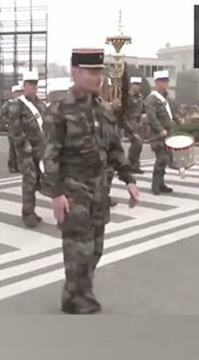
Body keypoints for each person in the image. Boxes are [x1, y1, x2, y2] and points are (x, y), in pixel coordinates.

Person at [44, 48, 139, 314]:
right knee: (78, 249)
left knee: (96, 247)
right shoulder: (61, 109)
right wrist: (57, 194)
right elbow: (50, 154)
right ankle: (76, 298)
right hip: (74, 189)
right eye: (92, 71)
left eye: (100, 72)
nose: (98, 77)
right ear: (75, 72)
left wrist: (129, 179)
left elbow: (114, 148)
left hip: (99, 189)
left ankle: (78, 291)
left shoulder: (104, 109)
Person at [11, 70, 46, 227]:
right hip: (26, 151)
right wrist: (25, 145)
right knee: (29, 181)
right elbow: (15, 130)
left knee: (39, 179)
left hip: (41, 149)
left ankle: (33, 209)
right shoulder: (17, 105)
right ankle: (28, 213)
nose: (33, 87)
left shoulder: (41, 104)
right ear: (24, 85)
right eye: (30, 84)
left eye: (35, 84)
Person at [145, 70, 179, 195]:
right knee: (161, 159)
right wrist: (160, 130)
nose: (165, 84)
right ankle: (155, 185)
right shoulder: (152, 99)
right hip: (158, 136)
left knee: (165, 160)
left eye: (166, 82)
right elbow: (151, 117)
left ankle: (161, 183)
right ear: (156, 83)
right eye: (162, 82)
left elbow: (171, 114)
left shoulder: (167, 98)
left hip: (168, 135)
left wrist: (178, 119)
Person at [124, 77, 145, 174]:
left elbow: (143, 109)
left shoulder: (140, 97)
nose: (137, 87)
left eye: (139, 85)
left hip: (139, 123)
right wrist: (127, 125)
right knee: (136, 143)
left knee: (139, 145)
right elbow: (124, 112)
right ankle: (129, 165)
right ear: (131, 85)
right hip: (130, 122)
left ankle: (135, 165)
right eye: (135, 84)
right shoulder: (128, 97)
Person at [1, 85, 23, 173]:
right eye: (17, 92)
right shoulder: (8, 104)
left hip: (23, 130)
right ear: (13, 93)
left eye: (21, 92)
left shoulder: (24, 104)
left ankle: (20, 166)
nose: (19, 94)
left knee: (22, 148)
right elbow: (1, 116)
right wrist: (7, 123)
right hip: (12, 130)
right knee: (13, 149)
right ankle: (12, 166)